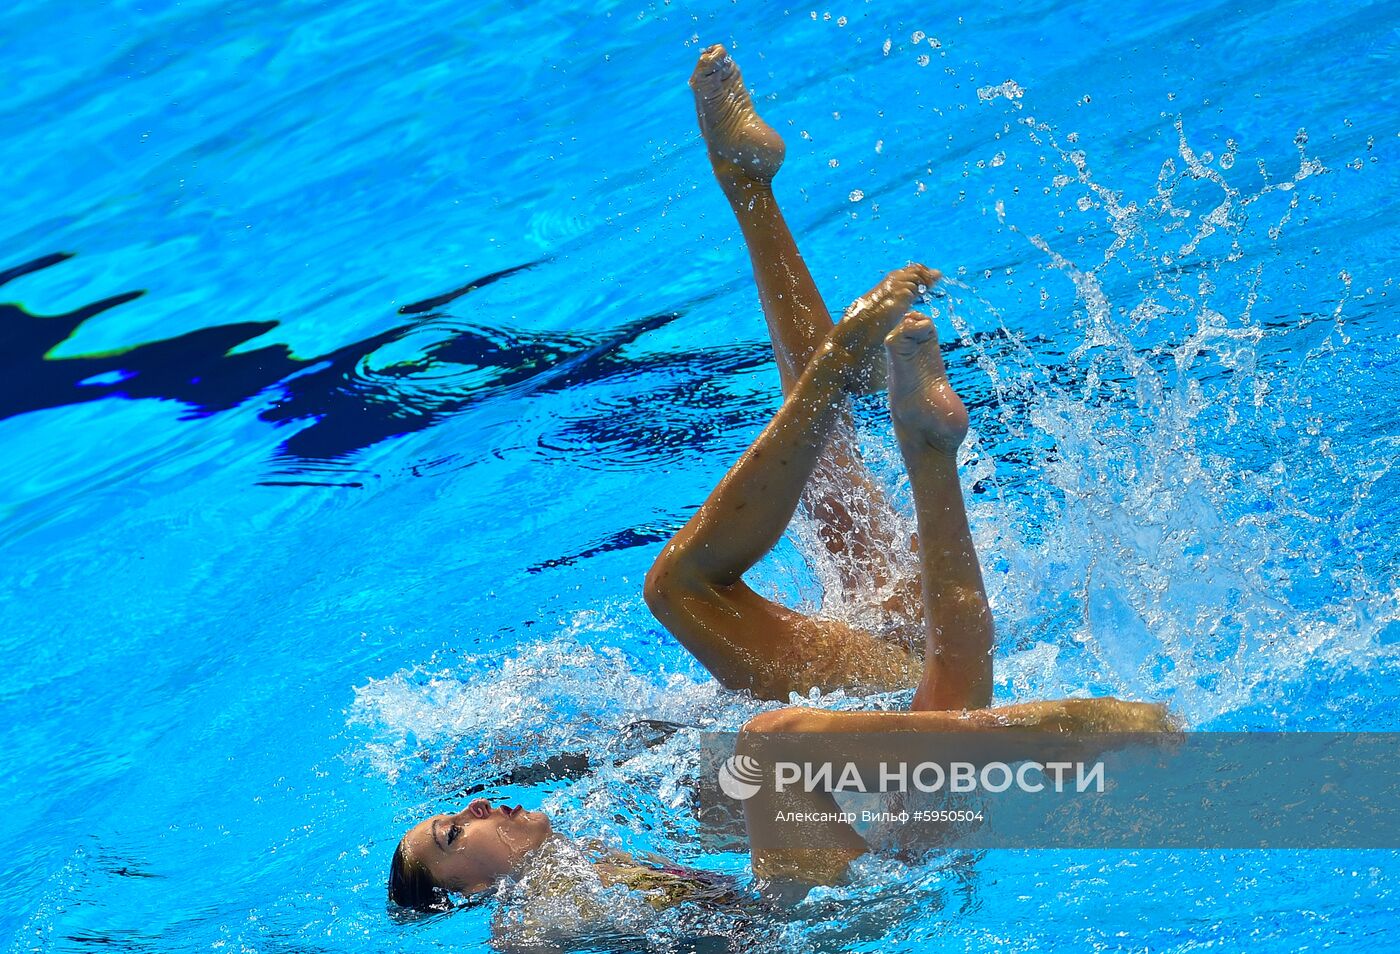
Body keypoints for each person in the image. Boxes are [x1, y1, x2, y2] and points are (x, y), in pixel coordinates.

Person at [387, 44, 1170, 912]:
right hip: (839, 899)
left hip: (868, 805)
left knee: (820, 500)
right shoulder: (540, 918)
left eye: (451, 813)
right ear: (464, 895)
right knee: (743, 653)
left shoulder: (595, 841)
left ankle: (895, 406)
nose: (475, 809)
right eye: (453, 835)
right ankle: (1050, 724)